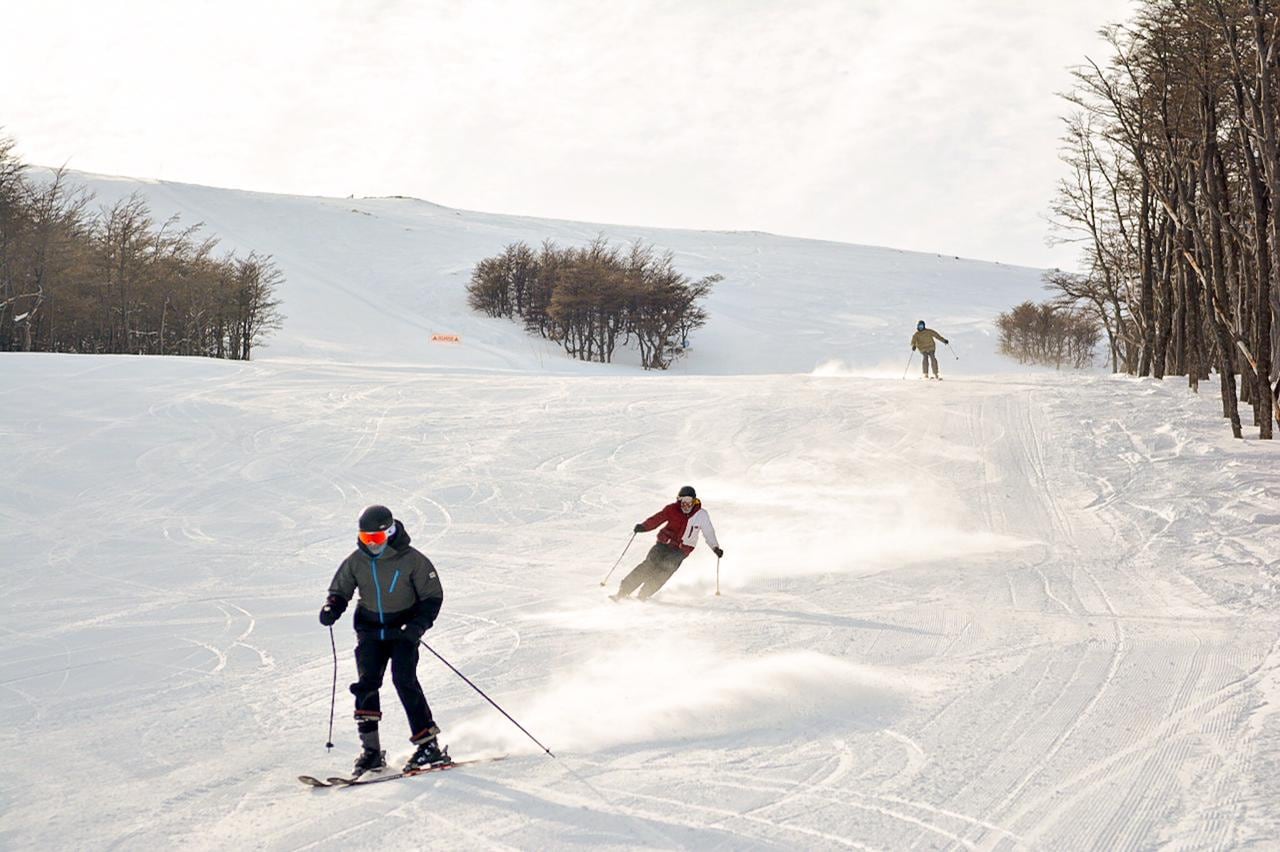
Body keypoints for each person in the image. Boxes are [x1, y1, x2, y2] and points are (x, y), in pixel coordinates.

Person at [319, 505, 448, 775]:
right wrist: (333, 606)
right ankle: (371, 752)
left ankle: (428, 745)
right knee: (366, 684)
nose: (372, 545)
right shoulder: (357, 561)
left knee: (403, 679)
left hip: (402, 630)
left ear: (389, 533)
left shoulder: (412, 560)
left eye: (376, 539)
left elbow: (432, 597)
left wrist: (417, 625)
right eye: (366, 539)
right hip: (370, 631)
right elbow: (340, 589)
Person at [611, 486, 723, 601]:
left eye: (689, 502)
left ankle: (644, 594)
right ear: (679, 501)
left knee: (665, 570)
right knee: (649, 565)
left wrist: (715, 547)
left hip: (681, 550)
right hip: (664, 544)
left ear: (694, 501)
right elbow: (657, 519)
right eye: (683, 502)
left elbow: (708, 532)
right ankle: (623, 592)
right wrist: (644, 527)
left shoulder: (701, 515)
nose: (686, 506)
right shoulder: (672, 509)